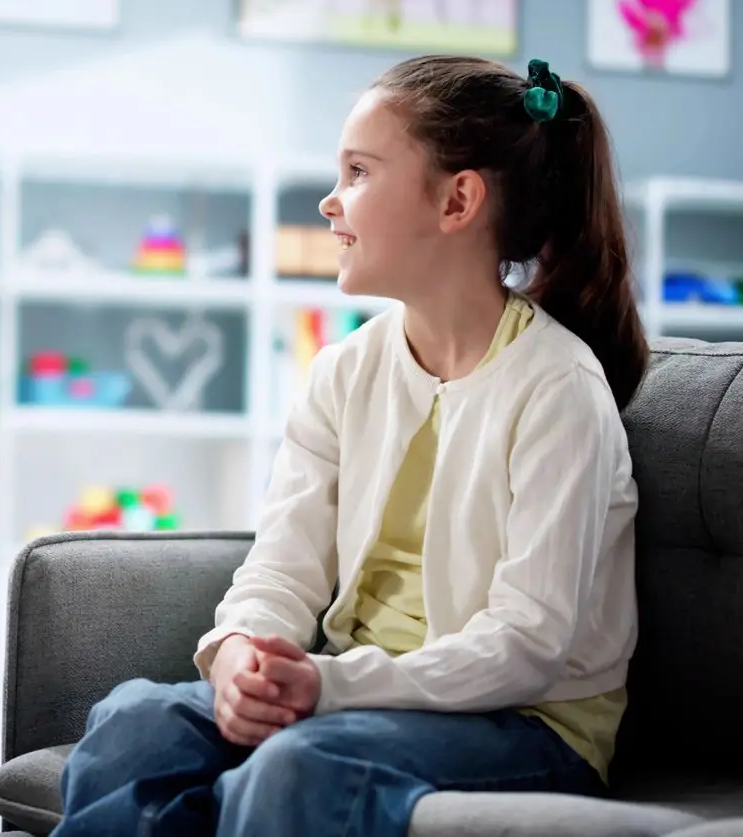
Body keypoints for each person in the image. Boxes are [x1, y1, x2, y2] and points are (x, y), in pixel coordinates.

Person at [55, 55, 648, 837]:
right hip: (348, 697)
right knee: (136, 720)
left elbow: (526, 645)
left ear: (458, 199)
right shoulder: (343, 371)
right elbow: (281, 565)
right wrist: (240, 653)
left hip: (525, 720)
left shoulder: (558, 388)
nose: (332, 201)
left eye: (360, 171)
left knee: (300, 765)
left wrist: (328, 687)